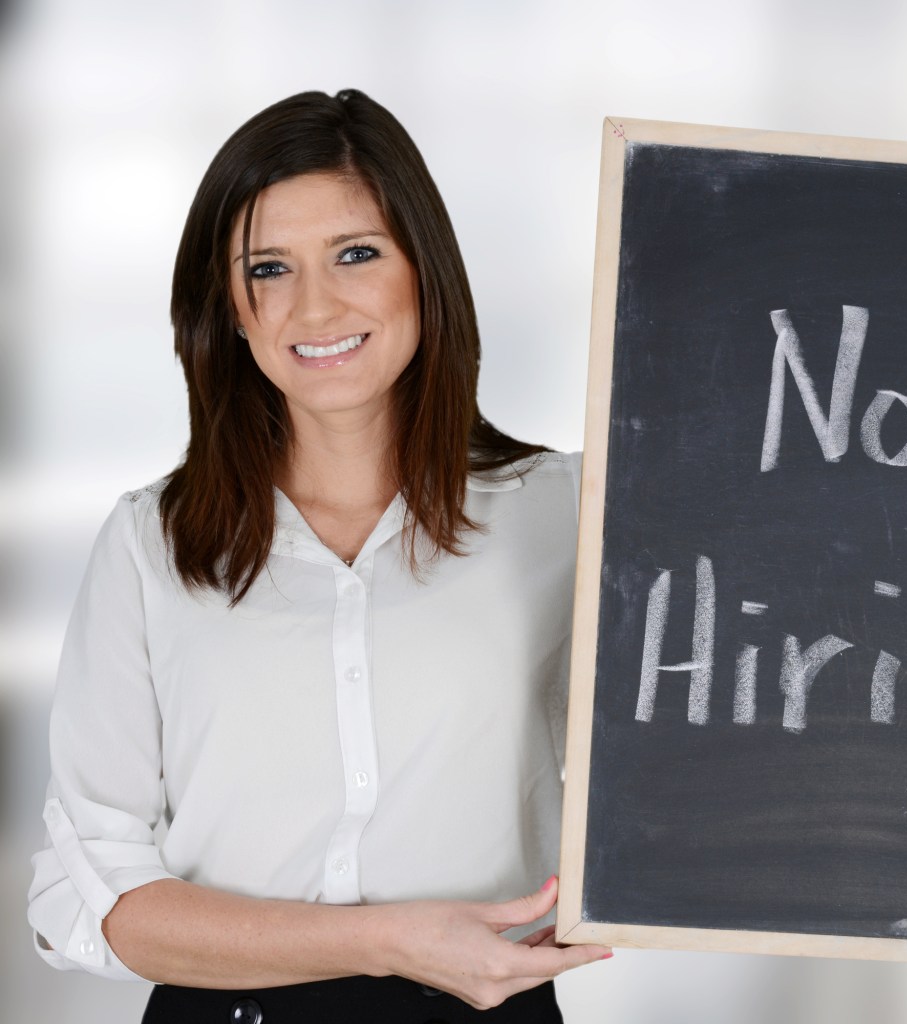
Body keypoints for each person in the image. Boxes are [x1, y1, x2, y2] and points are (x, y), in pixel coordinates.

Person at [27, 88, 609, 1022]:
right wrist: (386, 942)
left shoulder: (570, 515)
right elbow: (87, 896)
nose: (315, 305)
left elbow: (691, 750)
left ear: (426, 272)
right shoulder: (152, 545)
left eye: (356, 253)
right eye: (268, 268)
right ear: (231, 309)